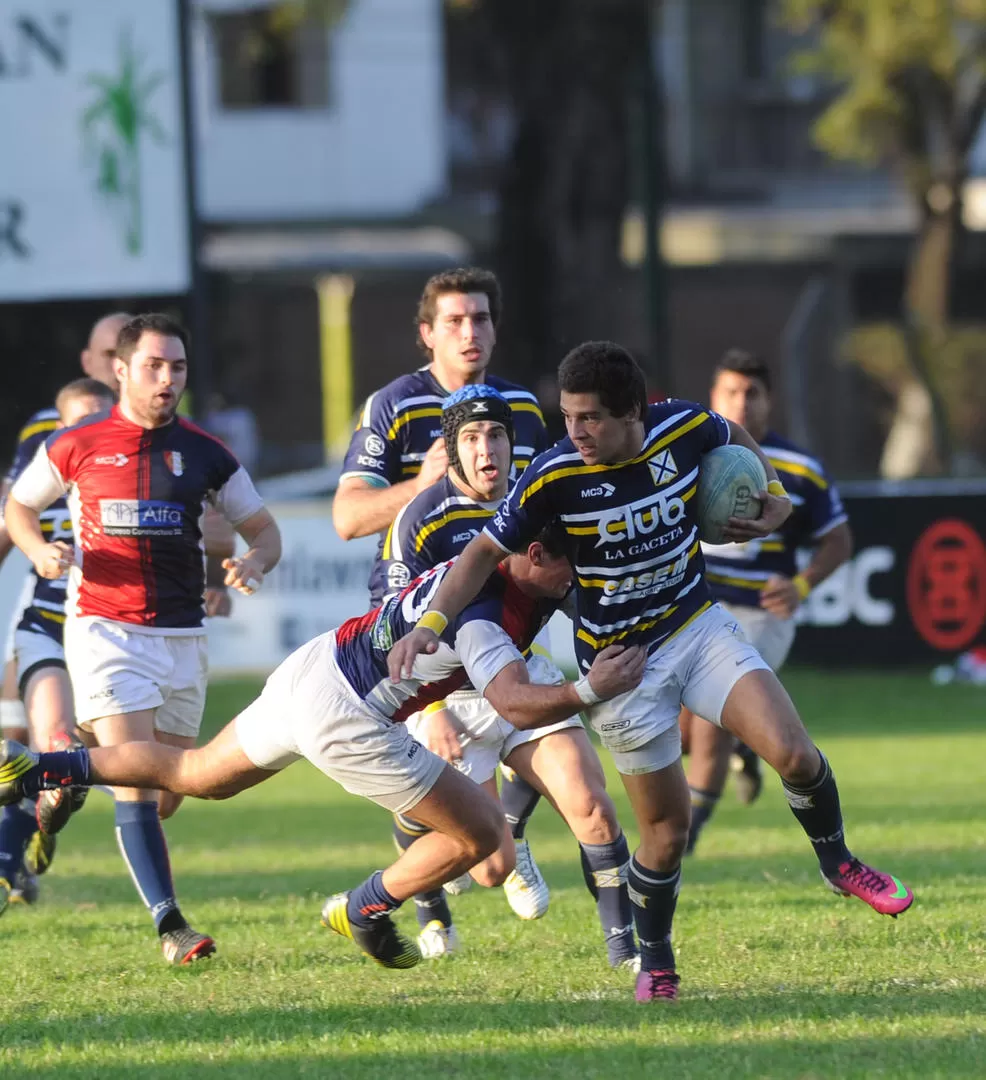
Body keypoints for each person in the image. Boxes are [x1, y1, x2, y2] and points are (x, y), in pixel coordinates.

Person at [387, 341, 914, 1004]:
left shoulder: (684, 425)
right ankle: (657, 959)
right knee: (666, 836)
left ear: (633, 412)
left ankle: (839, 862)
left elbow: (734, 432)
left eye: (590, 420)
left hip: (698, 630)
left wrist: (772, 491)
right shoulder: (552, 475)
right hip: (621, 670)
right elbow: (481, 554)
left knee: (795, 753)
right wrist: (430, 626)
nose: (574, 432)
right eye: (569, 417)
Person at [0, 526, 647, 970]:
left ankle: (39, 769)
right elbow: (513, 702)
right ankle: (364, 910)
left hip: (318, 662)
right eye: (571, 568)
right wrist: (591, 688)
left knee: (194, 772)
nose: (576, 581)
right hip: (349, 716)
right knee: (480, 837)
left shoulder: (492, 562)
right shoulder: (484, 619)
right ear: (534, 555)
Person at [4, 313, 282, 965]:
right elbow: (18, 507)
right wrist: (39, 549)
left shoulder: (207, 452)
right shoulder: (78, 442)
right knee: (136, 779)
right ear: (122, 370)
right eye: (154, 366)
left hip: (183, 635)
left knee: (167, 794)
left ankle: (48, 782)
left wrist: (253, 563)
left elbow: (265, 530)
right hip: (105, 630)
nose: (167, 379)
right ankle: (172, 926)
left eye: (177, 367)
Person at [381, 384, 638, 968]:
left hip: (522, 676)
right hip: (449, 694)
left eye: (496, 434)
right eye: (470, 438)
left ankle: (629, 952)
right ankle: (433, 899)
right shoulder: (420, 518)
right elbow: (393, 625)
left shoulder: (538, 498)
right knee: (489, 869)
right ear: (452, 449)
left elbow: (581, 582)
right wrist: (431, 712)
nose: (485, 449)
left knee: (591, 805)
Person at [333, 266, 554, 908]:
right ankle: (431, 892)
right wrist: (427, 484)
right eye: (453, 321)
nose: (469, 332)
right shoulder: (394, 404)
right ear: (427, 334)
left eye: (480, 318)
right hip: (416, 614)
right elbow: (348, 518)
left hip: (509, 609)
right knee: (441, 775)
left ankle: (509, 826)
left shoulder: (521, 410)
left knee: (561, 717)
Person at [681, 350, 853, 853]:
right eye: (730, 392)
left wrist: (800, 586)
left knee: (712, 721)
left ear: (768, 401)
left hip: (761, 614)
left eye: (751, 393)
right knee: (685, 732)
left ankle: (684, 840)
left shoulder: (799, 468)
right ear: (713, 397)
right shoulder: (685, 453)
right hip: (697, 610)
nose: (741, 403)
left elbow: (839, 541)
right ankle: (746, 748)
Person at [0, 312, 133, 894]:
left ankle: (44, 813)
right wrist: (32, 546)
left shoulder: (152, 440)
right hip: (50, 611)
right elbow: (15, 507)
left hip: (121, 622)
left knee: (152, 782)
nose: (116, 366)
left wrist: (216, 573)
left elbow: (210, 525)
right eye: (109, 354)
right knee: (35, 732)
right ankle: (10, 863)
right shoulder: (44, 433)